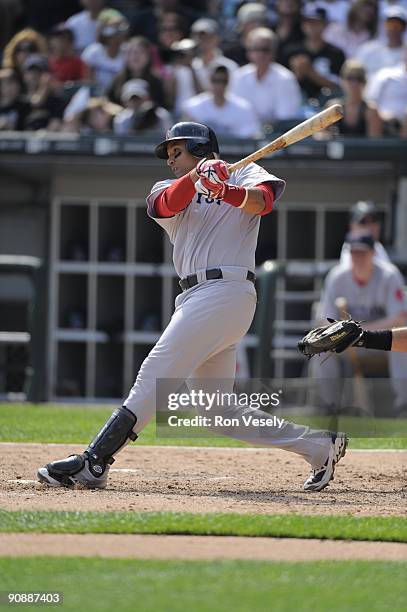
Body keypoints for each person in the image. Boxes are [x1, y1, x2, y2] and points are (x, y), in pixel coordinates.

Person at [37, 120, 347, 493]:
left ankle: (95, 461)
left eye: (177, 152)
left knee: (155, 369)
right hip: (196, 296)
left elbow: (263, 201)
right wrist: (199, 178)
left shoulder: (247, 172)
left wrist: (226, 189)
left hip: (226, 290)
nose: (170, 161)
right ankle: (319, 446)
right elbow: (165, 204)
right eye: (168, 154)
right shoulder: (167, 187)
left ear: (200, 147)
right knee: (217, 412)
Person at [313, 231, 407, 412]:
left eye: (362, 253)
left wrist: (361, 332)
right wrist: (342, 335)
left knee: (402, 347)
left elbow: (399, 318)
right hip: (347, 344)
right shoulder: (337, 276)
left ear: (373, 254)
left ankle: (403, 407)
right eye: (354, 253)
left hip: (380, 342)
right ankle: (329, 408)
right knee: (321, 349)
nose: (358, 258)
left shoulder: (389, 275)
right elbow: (324, 319)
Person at [231, 27, 302, 126]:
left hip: (275, 136)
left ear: (274, 52)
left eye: (265, 50)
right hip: (243, 134)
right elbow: (233, 113)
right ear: (248, 52)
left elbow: (285, 118)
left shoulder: (285, 78)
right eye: (255, 49)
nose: (260, 54)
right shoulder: (239, 76)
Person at [283, 3, 345, 102]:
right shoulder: (291, 51)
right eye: (308, 22)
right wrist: (297, 74)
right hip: (297, 105)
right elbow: (281, 87)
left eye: (316, 22)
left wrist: (310, 72)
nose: (311, 26)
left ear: (325, 24)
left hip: (327, 106)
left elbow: (340, 87)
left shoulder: (336, 53)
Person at [181, 64, 262, 138]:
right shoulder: (192, 106)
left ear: (228, 82)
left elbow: (252, 135)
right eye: (215, 80)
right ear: (209, 80)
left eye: (223, 81)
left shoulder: (244, 108)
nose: (219, 85)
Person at [81, 10, 129, 93]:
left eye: (118, 33)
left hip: (118, 94)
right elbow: (87, 79)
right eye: (112, 35)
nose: (115, 38)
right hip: (93, 94)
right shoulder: (93, 51)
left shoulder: (128, 51)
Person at [364, 45, 407, 137]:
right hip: (384, 122)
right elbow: (370, 100)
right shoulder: (386, 74)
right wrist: (383, 115)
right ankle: (375, 148)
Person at [355, 5, 407, 78]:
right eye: (390, 24)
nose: (393, 29)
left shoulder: (405, 55)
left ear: (404, 28)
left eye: (398, 25)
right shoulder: (367, 50)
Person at [190, 17, 238, 90]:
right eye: (200, 38)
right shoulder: (190, 65)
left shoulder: (229, 66)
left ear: (217, 39)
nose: (203, 41)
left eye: (208, 37)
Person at [340, 201, 390, 265]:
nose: (369, 227)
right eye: (363, 222)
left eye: (373, 221)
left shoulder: (378, 247)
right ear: (352, 226)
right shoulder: (352, 249)